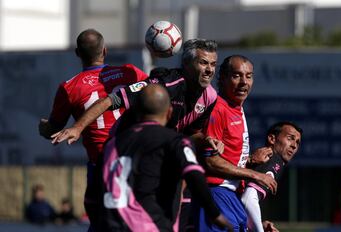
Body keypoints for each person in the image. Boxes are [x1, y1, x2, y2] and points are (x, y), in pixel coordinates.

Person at [50, 38, 222, 231]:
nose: (209, 69)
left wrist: (207, 140)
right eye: (203, 63)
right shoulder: (164, 84)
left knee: (177, 208)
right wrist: (77, 128)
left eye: (213, 64)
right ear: (187, 64)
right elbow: (111, 100)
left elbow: (193, 134)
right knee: (111, 217)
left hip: (160, 151)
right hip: (127, 149)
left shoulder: (211, 97)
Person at [38, 28, 148, 231]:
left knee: (101, 223)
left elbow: (54, 128)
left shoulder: (69, 87)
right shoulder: (129, 72)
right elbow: (153, 98)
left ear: (78, 54)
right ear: (105, 51)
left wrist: (43, 127)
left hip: (101, 164)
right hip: (137, 160)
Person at [98, 84, 233, 232]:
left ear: (135, 113)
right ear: (169, 113)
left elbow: (93, 194)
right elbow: (194, 175)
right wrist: (214, 213)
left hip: (110, 225)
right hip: (150, 225)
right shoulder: (176, 141)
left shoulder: (112, 145)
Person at [195, 55, 278, 232]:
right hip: (216, 194)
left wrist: (249, 160)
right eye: (236, 75)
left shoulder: (236, 108)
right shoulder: (217, 109)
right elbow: (210, 162)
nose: (243, 82)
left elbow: (225, 157)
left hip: (231, 197)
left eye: (249, 76)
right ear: (222, 78)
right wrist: (256, 175)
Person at [241, 121, 303, 232]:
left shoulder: (266, 160)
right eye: (290, 138)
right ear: (272, 139)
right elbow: (248, 198)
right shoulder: (274, 160)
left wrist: (259, 224)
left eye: (298, 142)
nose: (294, 145)